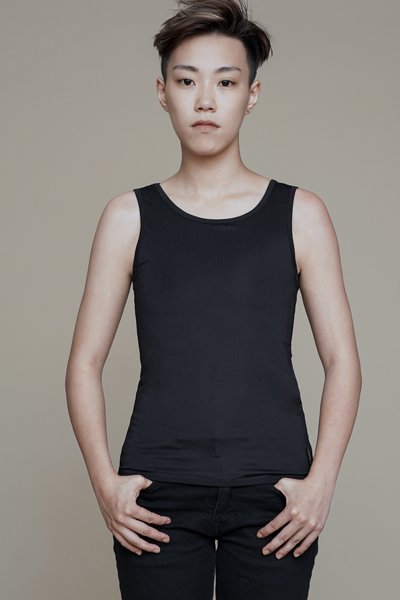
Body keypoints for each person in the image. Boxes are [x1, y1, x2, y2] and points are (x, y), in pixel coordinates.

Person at [65, 1, 362, 598]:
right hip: (157, 494)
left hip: (276, 494)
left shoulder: (301, 214)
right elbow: (83, 364)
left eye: (226, 82)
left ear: (252, 94)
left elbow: (343, 362)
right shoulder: (128, 217)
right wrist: (104, 483)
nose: (206, 100)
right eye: (186, 81)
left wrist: (321, 482)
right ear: (163, 92)